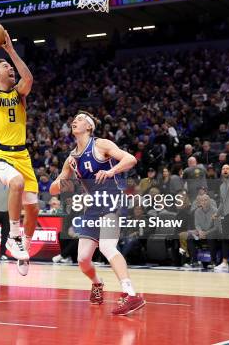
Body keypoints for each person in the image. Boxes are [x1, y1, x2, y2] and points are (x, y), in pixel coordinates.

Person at [50, 111, 145, 315]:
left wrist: (111, 171)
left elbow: (130, 160)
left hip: (112, 200)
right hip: (92, 207)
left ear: (89, 127)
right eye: (73, 119)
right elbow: (54, 188)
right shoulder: (71, 158)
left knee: (107, 246)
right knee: (83, 259)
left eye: (80, 119)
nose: (75, 121)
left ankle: (130, 294)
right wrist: (62, 184)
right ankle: (97, 283)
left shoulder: (101, 144)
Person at [0, 24, 39, 275]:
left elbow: (29, 78)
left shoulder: (19, 94)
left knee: (33, 206)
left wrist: (11, 50)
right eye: (5, 67)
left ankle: (25, 247)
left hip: (22, 154)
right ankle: (13, 236)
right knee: (16, 182)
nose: (10, 70)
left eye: (10, 68)